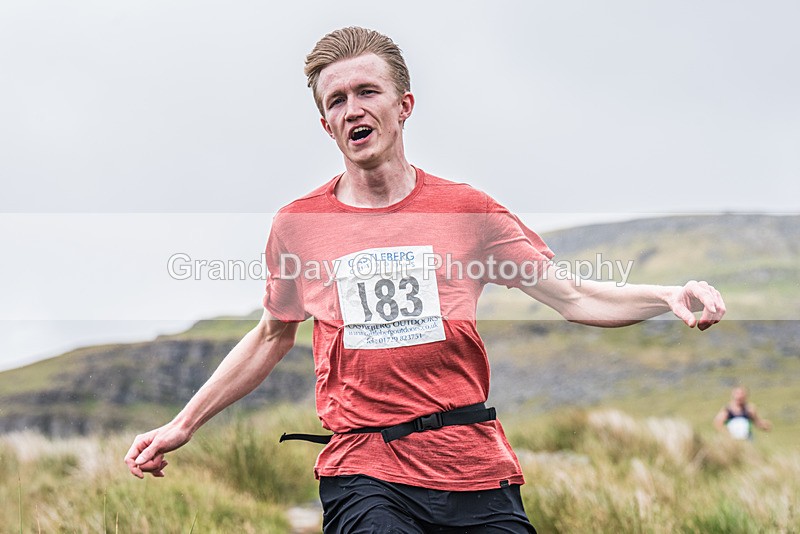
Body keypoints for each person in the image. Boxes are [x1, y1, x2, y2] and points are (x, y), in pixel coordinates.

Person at [124, 26, 726, 532]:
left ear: (403, 105)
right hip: (364, 466)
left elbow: (572, 295)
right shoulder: (300, 226)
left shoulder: (468, 212)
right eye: (336, 101)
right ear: (327, 125)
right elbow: (271, 335)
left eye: (367, 91)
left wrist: (667, 295)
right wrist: (183, 424)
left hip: (471, 461)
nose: (352, 108)